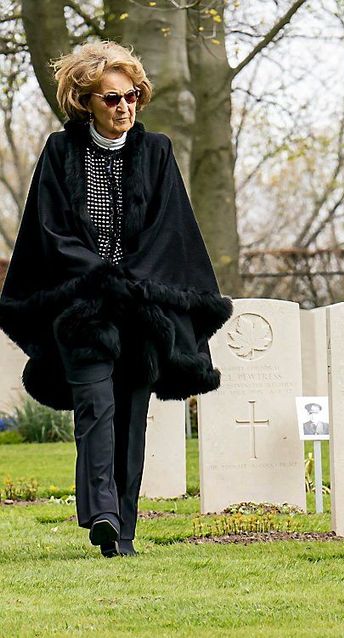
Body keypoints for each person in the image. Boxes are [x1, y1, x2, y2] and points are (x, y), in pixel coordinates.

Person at [0, 42, 232, 558]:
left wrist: (134, 284)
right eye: (111, 99)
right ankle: (102, 510)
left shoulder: (158, 152)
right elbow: (52, 231)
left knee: (131, 414)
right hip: (83, 310)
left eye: (132, 96)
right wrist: (98, 278)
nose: (124, 107)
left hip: (141, 309)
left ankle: (121, 531)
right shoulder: (60, 153)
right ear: (86, 101)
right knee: (95, 408)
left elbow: (170, 232)